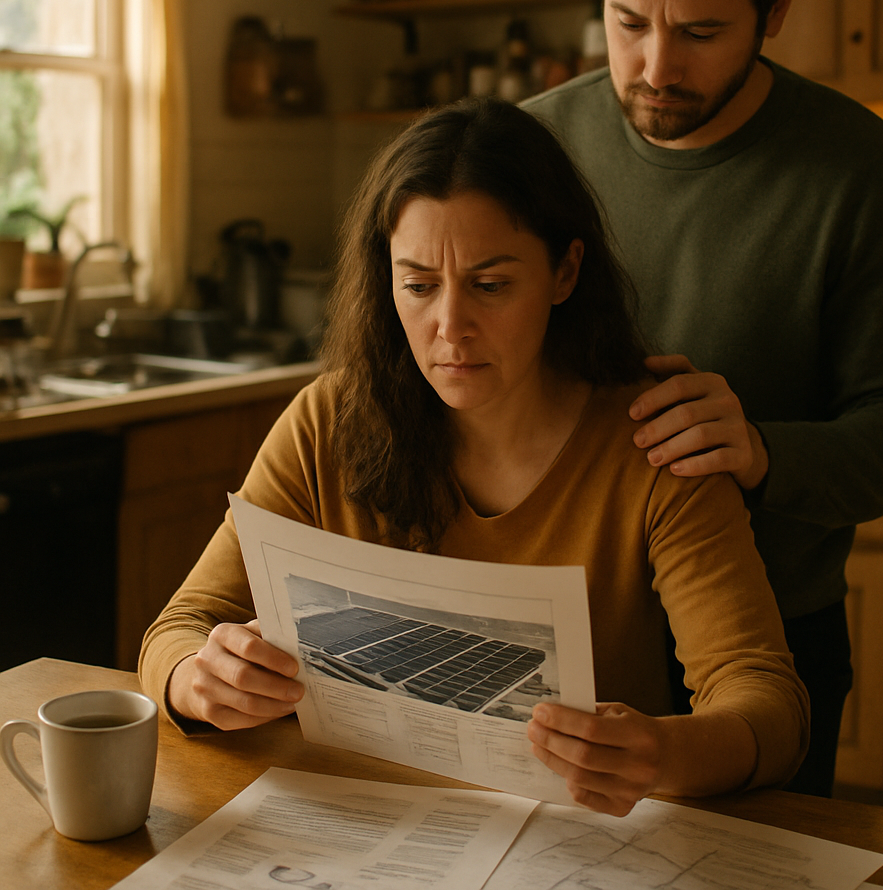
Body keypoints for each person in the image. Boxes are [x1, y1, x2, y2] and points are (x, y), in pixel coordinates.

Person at [139, 98, 809, 817]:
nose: (450, 327)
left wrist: (664, 753)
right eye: (419, 285)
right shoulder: (325, 422)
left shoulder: (654, 440)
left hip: (583, 843)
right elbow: (178, 628)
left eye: (491, 286)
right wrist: (196, 679)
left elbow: (768, 703)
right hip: (363, 829)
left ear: (565, 272)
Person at [525, 0, 883, 797]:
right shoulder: (530, 151)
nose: (655, 67)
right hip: (555, 645)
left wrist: (761, 453)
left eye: (702, 31)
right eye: (628, 21)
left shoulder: (860, 168)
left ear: (780, 1)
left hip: (768, 653)